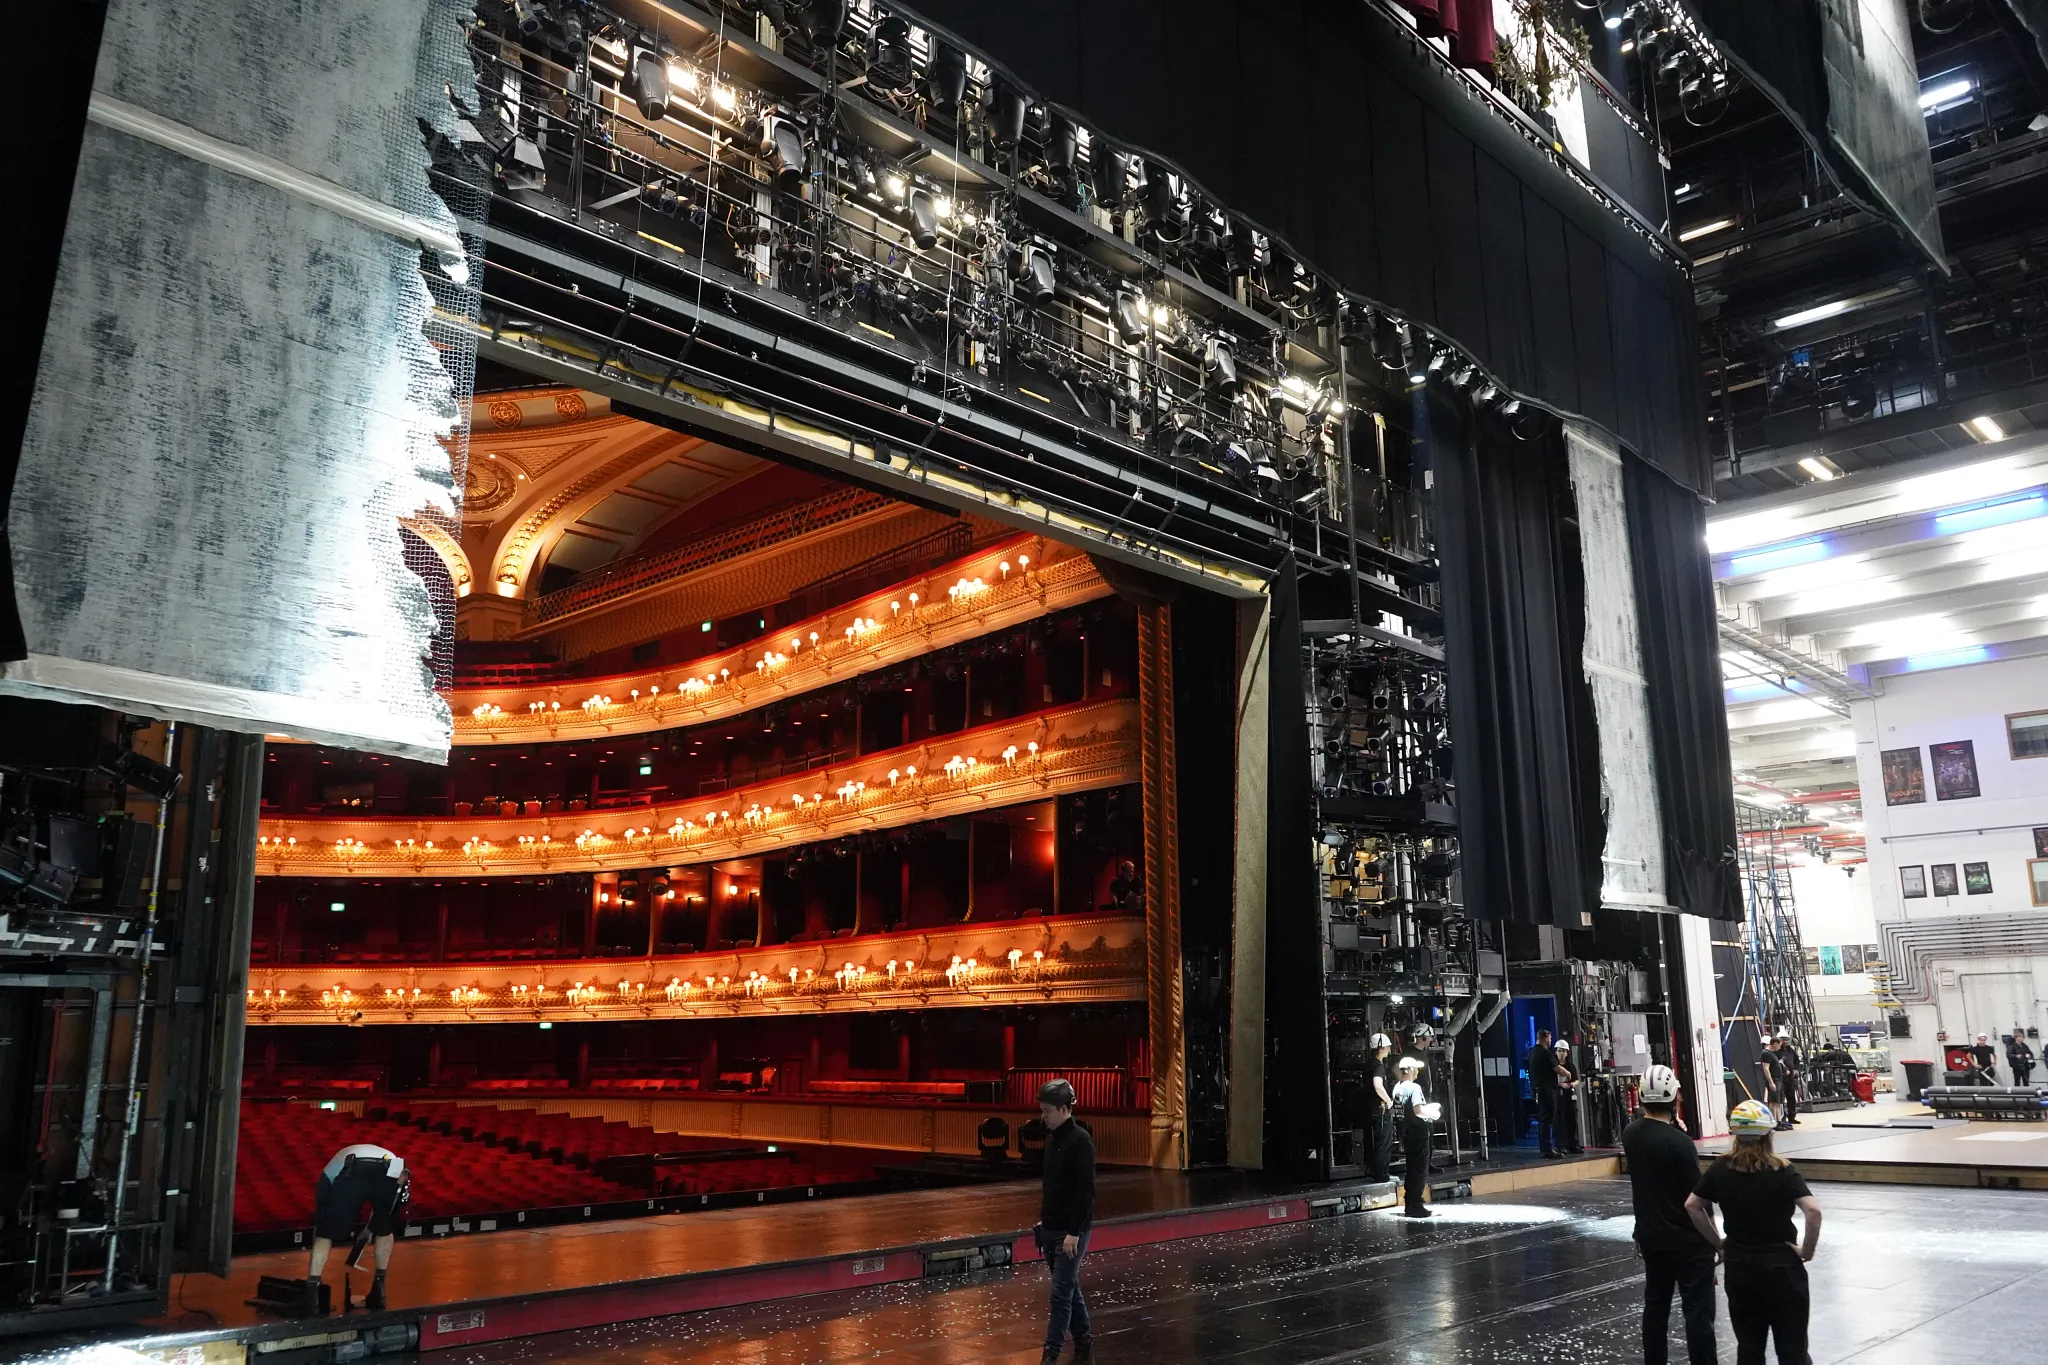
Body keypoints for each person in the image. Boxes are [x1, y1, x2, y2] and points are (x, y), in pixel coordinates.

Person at [1686, 1100, 1822, 1365]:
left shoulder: (1721, 1168)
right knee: (1792, 1349)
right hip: (1782, 1266)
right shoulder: (1782, 1170)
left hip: (1740, 1266)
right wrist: (1807, 1251)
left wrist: (1718, 1244)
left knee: (1749, 1347)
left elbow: (1692, 1205)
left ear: (1735, 1134)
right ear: (1768, 1134)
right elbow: (1813, 1211)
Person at [1623, 1064, 1717, 1365]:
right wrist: (1716, 1242)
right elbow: (1698, 1200)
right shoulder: (1680, 1144)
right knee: (1698, 1314)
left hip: (1652, 1236)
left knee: (1656, 1307)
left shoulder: (1631, 1135)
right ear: (1675, 1097)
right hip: (1689, 1243)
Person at [303, 1142, 407, 1314]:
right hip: (394, 1166)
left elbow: (322, 1208)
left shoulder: (330, 1168)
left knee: (323, 1233)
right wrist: (370, 1229)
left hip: (355, 1166)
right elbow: (380, 1211)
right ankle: (379, 1291)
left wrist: (323, 1225)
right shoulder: (385, 1152)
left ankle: (311, 1295)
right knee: (385, 1229)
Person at [1036, 1078, 1096, 1365]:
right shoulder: (1052, 1139)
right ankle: (1083, 1341)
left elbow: (1085, 1192)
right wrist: (1044, 1220)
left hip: (1070, 1232)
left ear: (1063, 1109)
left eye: (1047, 1111)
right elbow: (1052, 1186)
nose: (1043, 1116)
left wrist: (1073, 1232)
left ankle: (1051, 1353)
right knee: (1069, 1289)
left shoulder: (1080, 1141)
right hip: (1051, 1227)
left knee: (1061, 1293)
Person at [1390, 1056, 1435, 1218]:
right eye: (1415, 1069)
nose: (1417, 1072)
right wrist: (1432, 1113)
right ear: (1409, 1070)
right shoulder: (1414, 1088)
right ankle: (1415, 1204)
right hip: (1418, 1133)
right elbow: (1418, 1111)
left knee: (1411, 1169)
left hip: (1406, 1133)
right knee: (1420, 1170)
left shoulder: (1396, 1088)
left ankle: (1410, 1202)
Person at [1364, 1032, 1395, 1182]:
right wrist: (1389, 1101)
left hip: (1370, 1108)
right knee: (1384, 1141)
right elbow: (1378, 1085)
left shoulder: (1368, 1064)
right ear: (1380, 1048)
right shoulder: (1378, 1066)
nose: (1389, 1050)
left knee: (1375, 1141)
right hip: (1380, 1109)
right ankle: (1382, 1174)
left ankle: (1373, 1170)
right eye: (1387, 1047)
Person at [1527, 1028, 1562, 1158]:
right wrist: (1569, 1074)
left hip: (1536, 1090)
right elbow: (1557, 1069)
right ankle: (1547, 1149)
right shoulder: (1545, 1053)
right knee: (1547, 1120)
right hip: (1546, 1090)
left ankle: (1545, 1148)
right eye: (1550, 1038)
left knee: (1543, 1119)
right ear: (1546, 1037)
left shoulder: (1532, 1053)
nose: (1551, 1040)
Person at [1553, 1040, 1586, 1155]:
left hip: (1570, 1094)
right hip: (1559, 1095)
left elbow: (1577, 1080)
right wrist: (1561, 1085)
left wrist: (1572, 1084)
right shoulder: (1554, 1066)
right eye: (1559, 1051)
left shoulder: (1570, 1066)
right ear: (1556, 1052)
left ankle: (1574, 1144)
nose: (1562, 1053)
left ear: (1567, 1053)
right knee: (1560, 1120)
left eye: (1564, 1051)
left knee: (1572, 1119)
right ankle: (1561, 1145)